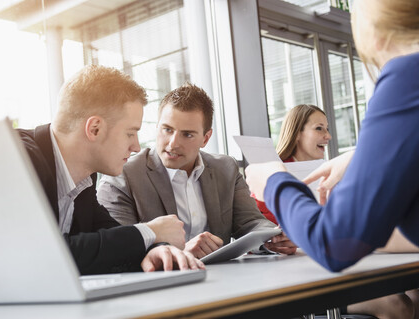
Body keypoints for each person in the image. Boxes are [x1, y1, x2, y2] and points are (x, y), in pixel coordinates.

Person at [246, 0, 419, 318]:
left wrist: (274, 182)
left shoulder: (412, 73)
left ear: (373, 33)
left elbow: (335, 243)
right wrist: (362, 156)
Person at [18, 65, 204, 275]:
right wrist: (151, 231)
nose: (136, 146)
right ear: (95, 129)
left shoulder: (82, 178)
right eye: (130, 133)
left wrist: (156, 250)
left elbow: (108, 236)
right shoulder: (18, 158)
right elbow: (42, 255)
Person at [97, 83, 297, 258]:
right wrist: (180, 253)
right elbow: (120, 249)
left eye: (187, 135)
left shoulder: (225, 169)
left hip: (227, 281)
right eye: (167, 130)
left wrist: (274, 238)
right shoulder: (122, 178)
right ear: (157, 127)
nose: (173, 144)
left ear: (206, 138)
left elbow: (251, 222)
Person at [254, 104, 331, 223]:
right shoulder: (271, 173)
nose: (328, 136)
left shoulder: (328, 171)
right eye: (319, 128)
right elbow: (260, 220)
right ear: (297, 133)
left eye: (327, 129)